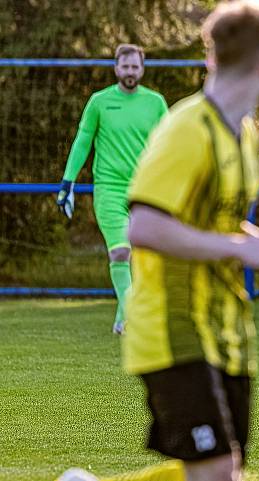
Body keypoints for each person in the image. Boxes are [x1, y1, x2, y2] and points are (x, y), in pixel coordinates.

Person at [56, 1, 259, 480]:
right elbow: (143, 226)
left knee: (218, 471)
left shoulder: (245, 134)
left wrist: (256, 240)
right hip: (172, 330)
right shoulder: (187, 129)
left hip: (226, 330)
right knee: (216, 471)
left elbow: (208, 220)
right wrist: (237, 247)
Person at [56, 43, 169, 334]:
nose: (130, 72)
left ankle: (122, 319)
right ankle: (135, 316)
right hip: (109, 189)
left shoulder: (155, 103)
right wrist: (68, 182)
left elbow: (168, 146)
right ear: (116, 68)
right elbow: (82, 142)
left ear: (142, 69)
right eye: (125, 66)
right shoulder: (99, 102)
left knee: (142, 257)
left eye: (135, 67)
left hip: (146, 191)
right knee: (120, 252)